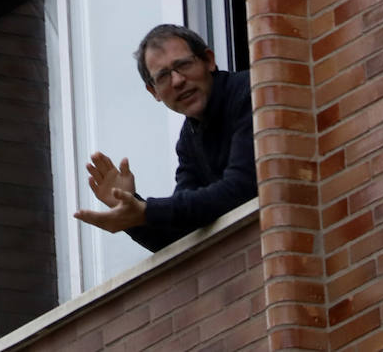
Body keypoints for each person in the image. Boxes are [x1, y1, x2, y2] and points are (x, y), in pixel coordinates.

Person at [73, 24, 256, 251]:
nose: (178, 81)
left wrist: (147, 211)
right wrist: (130, 207)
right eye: (163, 77)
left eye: (184, 65)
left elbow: (241, 189)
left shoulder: (251, 92)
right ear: (154, 92)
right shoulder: (188, 138)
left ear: (209, 60)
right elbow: (182, 234)